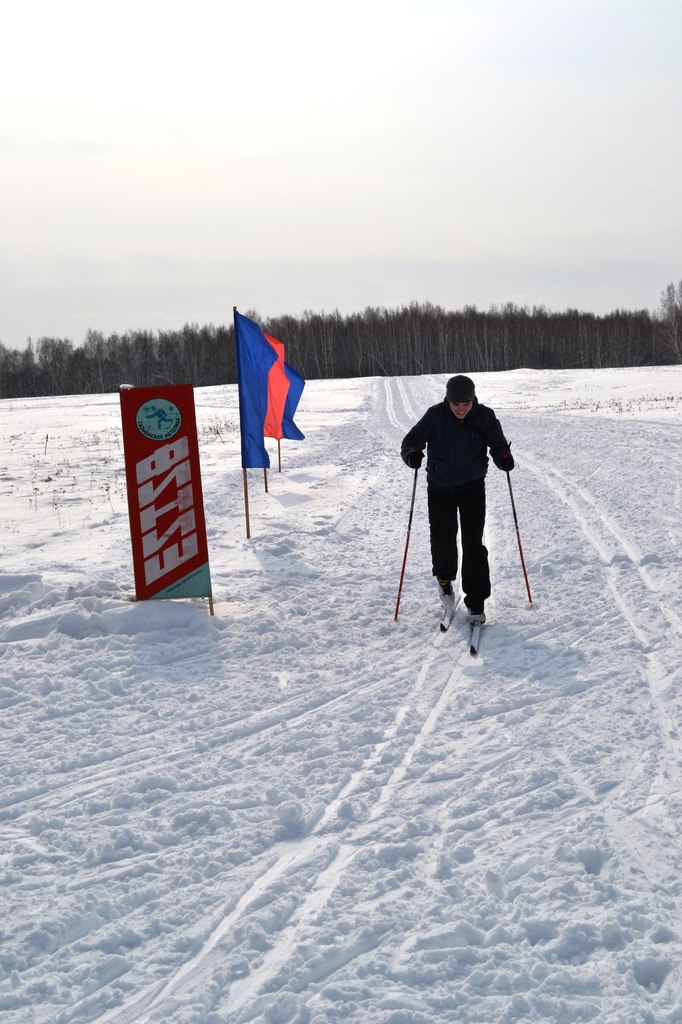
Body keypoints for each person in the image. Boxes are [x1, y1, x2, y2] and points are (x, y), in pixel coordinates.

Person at [400, 374, 514, 624]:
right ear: (448, 400)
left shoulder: (485, 416)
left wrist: (503, 457)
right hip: (440, 489)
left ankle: (476, 602)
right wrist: (411, 454)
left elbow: (498, 445)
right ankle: (444, 580)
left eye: (466, 403)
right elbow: (410, 441)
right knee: (443, 541)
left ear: (473, 400)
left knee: (474, 544)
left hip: (472, 487)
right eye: (456, 404)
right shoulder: (435, 416)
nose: (461, 409)